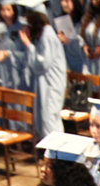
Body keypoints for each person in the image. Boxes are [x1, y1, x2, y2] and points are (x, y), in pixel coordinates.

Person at [19, 0, 66, 139]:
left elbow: (42, 63)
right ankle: (50, 155)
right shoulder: (44, 34)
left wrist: (28, 44)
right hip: (45, 84)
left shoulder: (48, 35)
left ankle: (58, 156)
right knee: (44, 119)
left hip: (52, 85)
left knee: (50, 120)